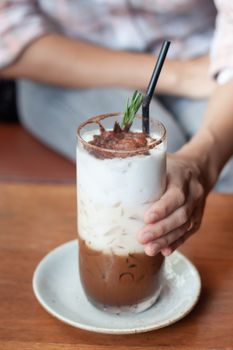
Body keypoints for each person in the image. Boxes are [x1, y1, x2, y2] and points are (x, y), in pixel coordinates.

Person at [0, 0, 232, 257]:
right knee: (148, 166)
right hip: (66, 66)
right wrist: (179, 75)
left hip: (206, 59)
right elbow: (8, 36)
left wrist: (201, 162)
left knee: (197, 171)